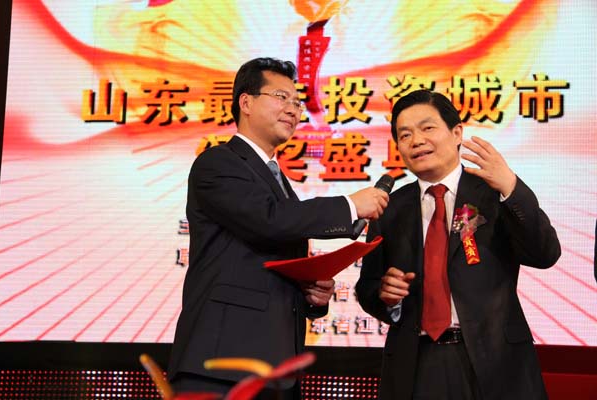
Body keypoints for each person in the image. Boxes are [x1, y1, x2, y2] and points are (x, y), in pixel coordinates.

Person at [167, 57, 389, 399]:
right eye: (281, 97)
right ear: (246, 102)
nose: (293, 109)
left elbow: (268, 256)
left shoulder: (278, 182)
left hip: (275, 367)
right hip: (221, 364)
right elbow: (268, 221)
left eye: (297, 103)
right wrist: (349, 206)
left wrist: (311, 294)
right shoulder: (218, 162)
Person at [356, 89, 561, 400]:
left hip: (496, 362)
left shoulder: (493, 194)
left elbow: (544, 253)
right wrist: (386, 296)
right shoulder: (389, 209)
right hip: (416, 363)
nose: (416, 140)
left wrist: (510, 186)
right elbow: (368, 287)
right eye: (405, 134)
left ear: (456, 133)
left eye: (427, 128)